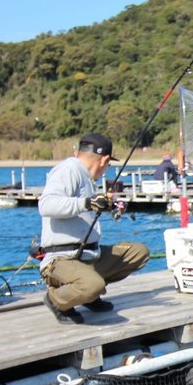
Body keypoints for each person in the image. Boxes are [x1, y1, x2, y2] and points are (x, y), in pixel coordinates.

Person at [38, 133, 150, 324]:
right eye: (108, 164)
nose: (106, 169)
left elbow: (83, 208)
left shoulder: (87, 178)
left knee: (139, 252)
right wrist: (87, 203)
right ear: (104, 160)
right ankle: (56, 300)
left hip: (89, 256)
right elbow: (46, 205)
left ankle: (89, 296)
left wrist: (107, 206)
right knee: (91, 285)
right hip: (61, 259)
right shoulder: (69, 169)